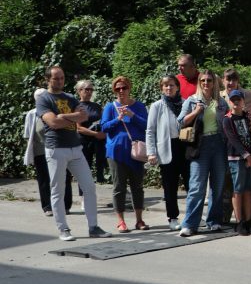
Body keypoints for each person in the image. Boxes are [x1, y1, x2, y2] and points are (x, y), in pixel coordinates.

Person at [35, 66, 110, 240]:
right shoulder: (43, 99)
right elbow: (53, 123)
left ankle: (93, 227)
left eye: (62, 78)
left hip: (76, 148)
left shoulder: (69, 97)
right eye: (56, 78)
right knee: (58, 190)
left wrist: (63, 117)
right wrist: (68, 117)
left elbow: (83, 117)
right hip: (56, 149)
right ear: (48, 79)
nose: (60, 81)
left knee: (89, 187)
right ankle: (63, 229)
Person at [177, 70, 230, 237]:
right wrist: (195, 112)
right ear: (199, 83)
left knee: (217, 185)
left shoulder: (221, 102)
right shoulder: (192, 100)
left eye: (209, 80)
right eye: (203, 80)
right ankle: (189, 224)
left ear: (214, 83)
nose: (206, 83)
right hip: (200, 145)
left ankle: (214, 221)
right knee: (197, 186)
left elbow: (228, 123)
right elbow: (180, 122)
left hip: (218, 144)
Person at [101, 76, 149, 232]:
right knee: (119, 187)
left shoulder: (139, 106)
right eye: (118, 88)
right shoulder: (110, 107)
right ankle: (121, 221)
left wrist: (132, 115)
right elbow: (104, 127)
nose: (121, 91)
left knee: (137, 187)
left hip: (136, 152)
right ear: (114, 90)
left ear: (129, 88)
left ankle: (139, 220)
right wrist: (118, 119)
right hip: (116, 153)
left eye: (124, 87)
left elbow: (147, 125)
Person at [145, 75, 187, 231]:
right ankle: (173, 217)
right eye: (165, 85)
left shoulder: (185, 103)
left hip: (185, 146)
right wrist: (151, 152)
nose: (169, 88)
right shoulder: (157, 106)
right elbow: (150, 131)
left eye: (172, 85)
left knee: (191, 184)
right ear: (162, 88)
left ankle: (192, 215)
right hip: (167, 148)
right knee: (170, 187)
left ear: (177, 87)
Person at [24, 88, 71, 217]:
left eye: (44, 96)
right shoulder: (32, 114)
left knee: (63, 178)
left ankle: (65, 205)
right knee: (44, 179)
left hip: (59, 148)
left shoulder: (57, 111)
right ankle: (47, 207)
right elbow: (28, 135)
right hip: (40, 151)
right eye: (38, 97)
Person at [223, 89, 251, 236]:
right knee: (238, 189)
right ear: (229, 102)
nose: (236, 102)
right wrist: (246, 155)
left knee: (249, 189)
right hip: (236, 158)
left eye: (239, 99)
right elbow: (233, 139)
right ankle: (239, 221)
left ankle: (248, 220)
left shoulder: (248, 117)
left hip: (250, 158)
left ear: (243, 101)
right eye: (233, 100)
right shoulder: (227, 119)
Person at [74, 79, 107, 185]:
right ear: (79, 90)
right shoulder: (77, 106)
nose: (89, 92)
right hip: (83, 142)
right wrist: (95, 134)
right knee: (84, 170)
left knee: (100, 167)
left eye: (91, 90)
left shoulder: (96, 106)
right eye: (87, 89)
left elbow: (103, 122)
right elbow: (78, 128)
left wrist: (103, 133)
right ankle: (83, 193)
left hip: (98, 142)